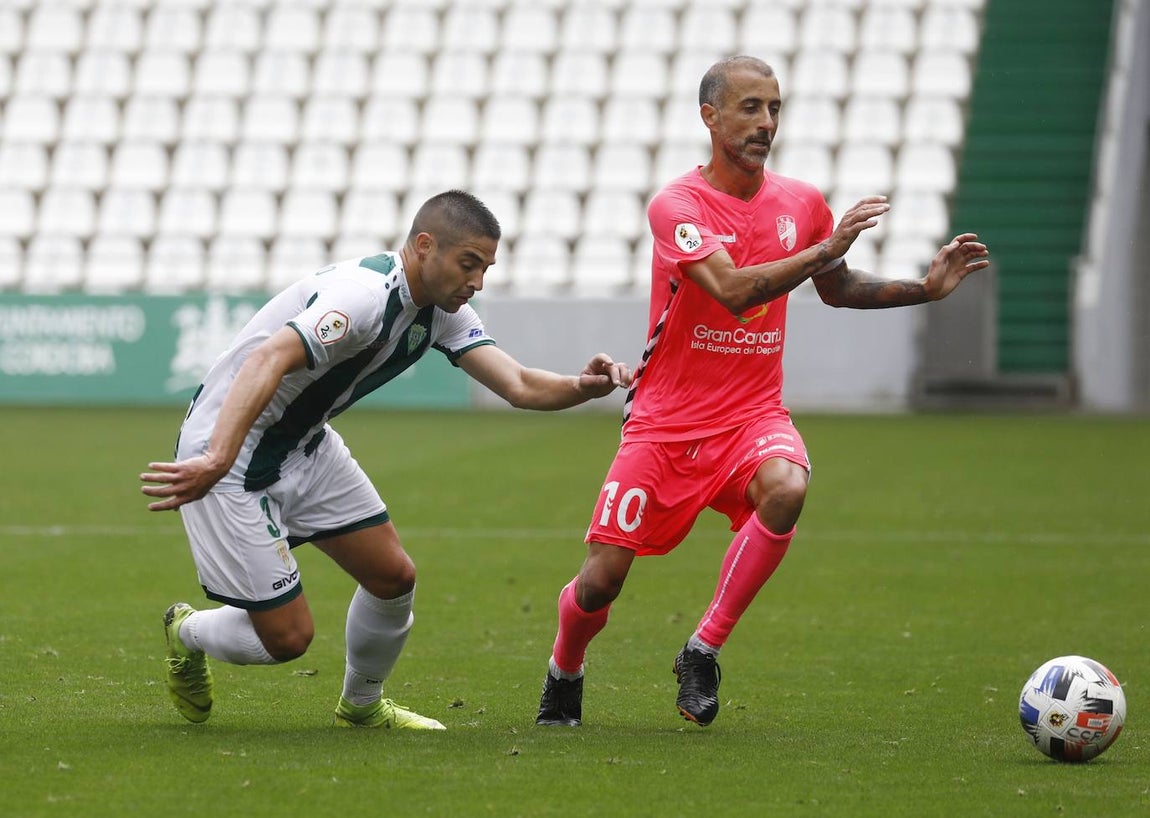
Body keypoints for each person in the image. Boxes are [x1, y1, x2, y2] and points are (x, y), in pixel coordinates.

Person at [534, 56, 990, 728]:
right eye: (749, 107)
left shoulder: (802, 203)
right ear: (710, 116)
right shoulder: (677, 206)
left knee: (788, 485)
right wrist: (825, 246)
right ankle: (564, 670)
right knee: (602, 579)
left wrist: (924, 289)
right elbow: (733, 288)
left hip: (751, 415)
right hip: (666, 421)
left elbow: (835, 289)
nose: (766, 123)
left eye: (774, 108)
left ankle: (703, 648)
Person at [141, 190, 632, 730]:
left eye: (487, 268)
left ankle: (362, 704)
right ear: (425, 246)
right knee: (287, 639)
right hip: (229, 450)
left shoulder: (443, 313)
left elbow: (516, 383)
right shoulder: (363, 297)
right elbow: (269, 357)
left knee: (393, 576)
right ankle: (184, 631)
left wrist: (582, 387)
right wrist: (218, 456)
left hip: (303, 442)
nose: (478, 281)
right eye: (469, 264)